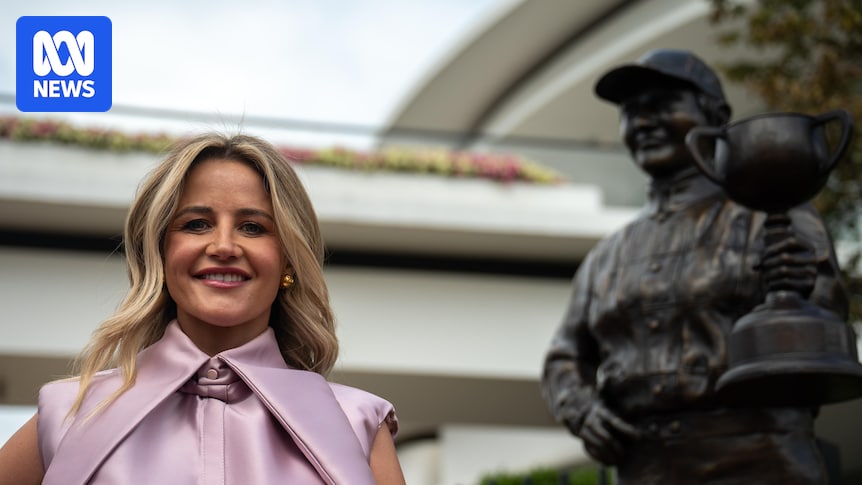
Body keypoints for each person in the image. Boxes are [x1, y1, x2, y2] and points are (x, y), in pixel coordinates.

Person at [0, 133, 406, 485]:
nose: (224, 246)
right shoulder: (69, 411)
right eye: (196, 224)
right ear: (160, 252)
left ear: (288, 260)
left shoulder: (358, 422)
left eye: (253, 227)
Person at [541, 49, 848, 484]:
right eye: (631, 112)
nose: (643, 123)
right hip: (645, 466)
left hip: (759, 459)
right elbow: (564, 357)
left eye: (663, 105)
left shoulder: (770, 212)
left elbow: (827, 323)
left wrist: (804, 292)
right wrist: (584, 411)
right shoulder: (606, 257)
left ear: (714, 117)